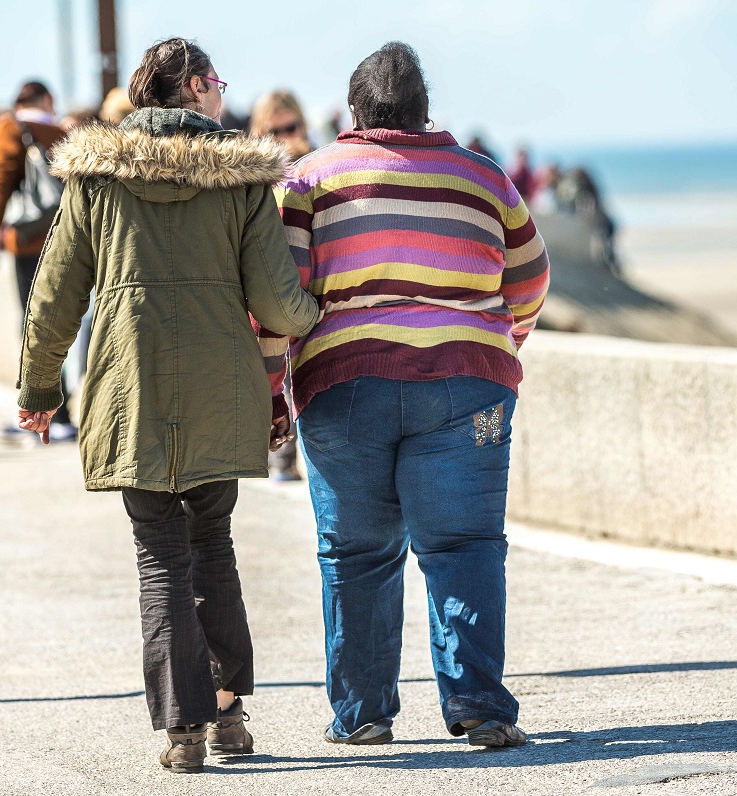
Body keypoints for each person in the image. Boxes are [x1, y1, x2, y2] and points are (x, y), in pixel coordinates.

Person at [16, 38, 319, 772]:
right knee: (211, 540)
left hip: (130, 388)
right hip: (222, 388)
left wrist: (38, 389)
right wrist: (318, 314)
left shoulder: (95, 176)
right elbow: (278, 301)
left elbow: (55, 296)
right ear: (190, 88)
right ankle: (227, 713)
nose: (222, 92)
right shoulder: (242, 179)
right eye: (215, 80)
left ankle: (183, 733)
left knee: (159, 554)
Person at [272, 42, 550, 748]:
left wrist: (276, 387)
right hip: (470, 389)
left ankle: (363, 713)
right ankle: (481, 708)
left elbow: (279, 298)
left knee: (356, 552)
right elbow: (529, 283)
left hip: (343, 384)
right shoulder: (487, 180)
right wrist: (491, 347)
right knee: (465, 545)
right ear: (426, 112)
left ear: (354, 111)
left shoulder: (308, 180)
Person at [0, 80, 74, 441]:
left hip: (30, 240)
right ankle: (61, 411)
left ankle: (40, 412)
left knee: (34, 325)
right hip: (68, 236)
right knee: (64, 323)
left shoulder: (9, 126)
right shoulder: (64, 129)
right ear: (47, 99)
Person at [249, 90, 313, 481]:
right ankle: (281, 453)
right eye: (274, 131)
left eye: (290, 128)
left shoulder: (317, 171)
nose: (284, 139)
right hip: (270, 290)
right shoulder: (251, 181)